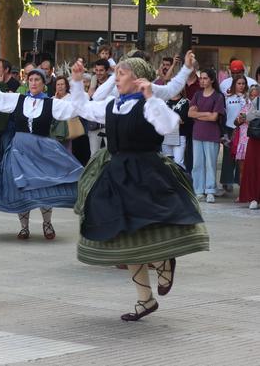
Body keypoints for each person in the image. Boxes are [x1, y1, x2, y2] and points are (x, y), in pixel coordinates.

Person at [68, 55, 209, 321]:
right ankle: (145, 299)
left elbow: (168, 125)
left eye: (121, 73)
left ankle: (163, 262)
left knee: (147, 228)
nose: (116, 78)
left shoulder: (147, 105)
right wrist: (76, 82)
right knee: (124, 237)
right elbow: (83, 109)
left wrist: (152, 98)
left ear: (138, 79)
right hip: (116, 173)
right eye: (117, 73)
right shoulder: (112, 104)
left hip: (146, 173)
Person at [0, 67, 84, 240]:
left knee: (43, 186)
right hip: (20, 150)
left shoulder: (51, 103)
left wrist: (77, 84)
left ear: (44, 84)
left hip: (41, 150)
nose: (33, 83)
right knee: (21, 187)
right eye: (30, 80)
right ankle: (24, 227)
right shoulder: (18, 99)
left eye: (37, 80)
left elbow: (75, 108)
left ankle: (47, 223)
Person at [189, 69, 225, 203]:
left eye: (205, 78)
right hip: (197, 133)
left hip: (211, 134)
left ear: (212, 80)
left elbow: (214, 117)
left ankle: (210, 190)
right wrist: (206, 114)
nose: (202, 80)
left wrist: (200, 114)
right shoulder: (197, 95)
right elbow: (190, 114)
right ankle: (198, 190)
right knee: (197, 164)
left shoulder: (218, 97)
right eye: (201, 78)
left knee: (210, 164)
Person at [219, 76, 249, 193]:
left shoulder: (248, 98)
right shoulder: (227, 98)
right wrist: (223, 133)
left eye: (243, 83)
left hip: (243, 131)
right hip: (229, 129)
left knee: (241, 157)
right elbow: (223, 115)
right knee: (228, 156)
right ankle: (227, 182)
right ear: (234, 85)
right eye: (239, 83)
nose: (241, 85)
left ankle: (240, 182)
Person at [238, 93, 260, 210]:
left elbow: (252, 114)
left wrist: (255, 113)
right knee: (253, 167)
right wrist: (253, 114)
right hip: (256, 139)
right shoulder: (257, 100)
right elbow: (249, 116)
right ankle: (254, 198)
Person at [162, 90, 191, 169]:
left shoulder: (185, 102)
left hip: (180, 135)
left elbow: (182, 120)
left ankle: (182, 180)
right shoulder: (165, 101)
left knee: (178, 162)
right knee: (167, 161)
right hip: (166, 135)